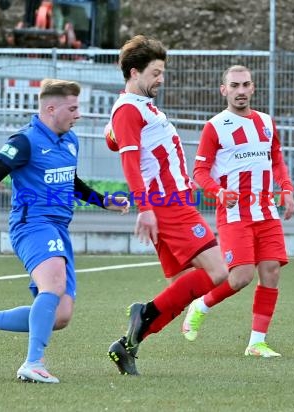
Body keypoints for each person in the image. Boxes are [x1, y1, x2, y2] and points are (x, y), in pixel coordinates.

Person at [0, 79, 129, 383]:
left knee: (60, 315)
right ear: (51, 108)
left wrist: (102, 201)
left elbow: (71, 181)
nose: (78, 114)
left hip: (58, 228)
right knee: (53, 284)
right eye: (73, 108)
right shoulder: (24, 141)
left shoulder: (71, 140)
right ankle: (33, 363)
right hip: (31, 225)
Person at [104, 35, 230, 376]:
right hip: (166, 204)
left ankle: (128, 344)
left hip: (172, 199)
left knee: (183, 282)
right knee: (218, 272)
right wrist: (145, 207)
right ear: (134, 72)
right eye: (155, 72)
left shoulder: (136, 106)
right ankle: (142, 317)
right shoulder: (130, 108)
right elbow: (129, 161)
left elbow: (117, 141)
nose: (161, 78)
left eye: (162, 72)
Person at [181, 65, 294, 358]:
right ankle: (201, 305)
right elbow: (200, 171)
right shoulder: (215, 126)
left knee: (270, 272)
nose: (241, 91)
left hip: (266, 210)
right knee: (240, 277)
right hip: (234, 213)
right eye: (235, 85)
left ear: (253, 88)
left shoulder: (267, 123)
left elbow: (277, 160)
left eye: (245, 85)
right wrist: (217, 192)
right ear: (224, 90)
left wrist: (286, 189)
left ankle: (256, 343)